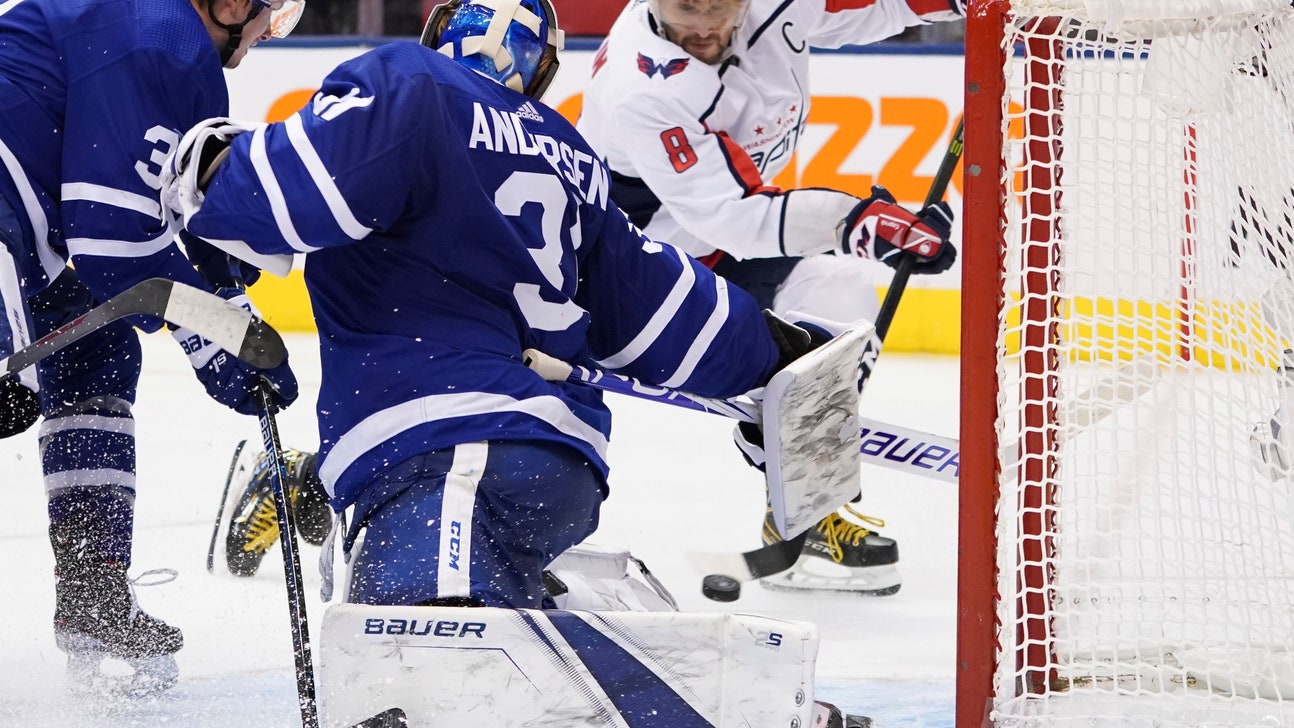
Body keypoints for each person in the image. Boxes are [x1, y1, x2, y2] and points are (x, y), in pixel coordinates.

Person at [162, 0, 941, 617]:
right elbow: (654, 300)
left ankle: (302, 482)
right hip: (558, 464)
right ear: (540, 72)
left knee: (421, 663)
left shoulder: (409, 86)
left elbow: (268, 199)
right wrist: (775, 351)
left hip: (445, 442)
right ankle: (313, 487)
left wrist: (208, 168)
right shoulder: (568, 150)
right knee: (475, 638)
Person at [575, 0, 964, 595]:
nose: (703, 27)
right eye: (685, 9)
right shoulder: (642, 86)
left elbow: (873, 8)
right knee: (805, 340)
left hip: (716, 241)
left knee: (840, 299)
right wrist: (861, 224)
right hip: (639, 274)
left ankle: (805, 516)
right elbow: (735, 216)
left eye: (718, 7)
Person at [0, 0, 303, 695]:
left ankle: (92, 589)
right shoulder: (163, 35)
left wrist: (224, 299)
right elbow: (111, 241)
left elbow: (141, 214)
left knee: (96, 348)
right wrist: (220, 336)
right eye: (271, 14)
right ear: (230, 3)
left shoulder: (151, 27)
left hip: (24, 226)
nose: (266, 33)